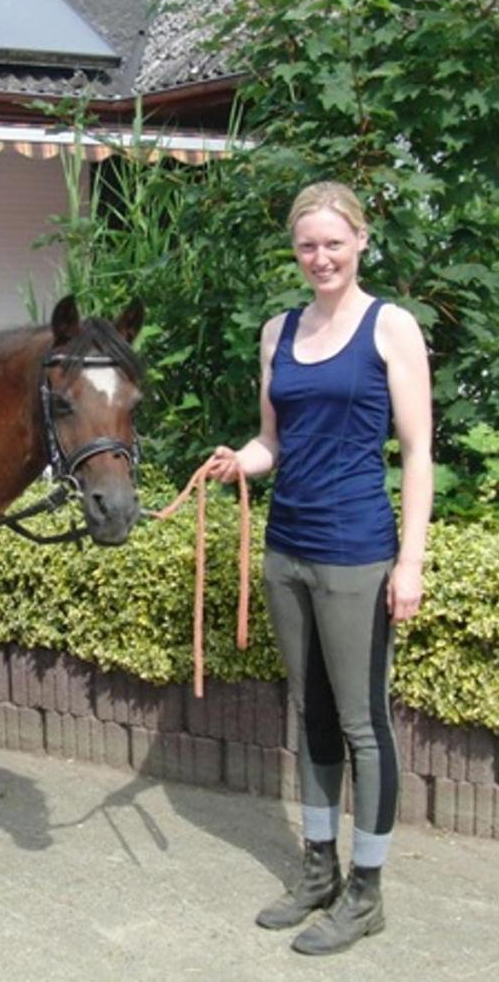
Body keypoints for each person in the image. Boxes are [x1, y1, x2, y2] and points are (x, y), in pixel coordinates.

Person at [206, 180, 432, 956]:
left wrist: (412, 560)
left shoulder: (391, 326)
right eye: (308, 245)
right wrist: (242, 459)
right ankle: (317, 868)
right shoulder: (279, 331)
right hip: (287, 546)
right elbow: (277, 441)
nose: (321, 257)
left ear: (360, 241)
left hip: (358, 549)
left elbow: (418, 452)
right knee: (310, 712)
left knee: (364, 722)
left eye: (334, 242)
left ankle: (367, 891)